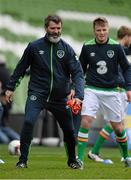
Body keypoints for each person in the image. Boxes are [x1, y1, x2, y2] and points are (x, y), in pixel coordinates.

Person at [5, 14, 84, 169]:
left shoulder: (67, 49)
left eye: (58, 28)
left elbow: (78, 74)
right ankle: (22, 160)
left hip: (60, 98)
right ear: (46, 28)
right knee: (28, 122)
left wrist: (78, 94)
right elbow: (20, 69)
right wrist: (10, 87)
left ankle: (72, 160)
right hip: (37, 94)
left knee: (69, 130)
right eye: (53, 28)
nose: (56, 31)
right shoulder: (34, 47)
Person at [77, 17, 131, 169]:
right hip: (92, 89)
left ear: (108, 30)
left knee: (118, 128)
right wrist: (76, 88)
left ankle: (126, 157)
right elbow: (80, 69)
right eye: (98, 30)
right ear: (94, 31)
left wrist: (128, 88)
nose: (101, 33)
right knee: (86, 120)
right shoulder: (87, 46)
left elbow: (127, 68)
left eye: (104, 30)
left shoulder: (116, 47)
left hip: (112, 91)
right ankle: (79, 160)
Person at [0, 58, 20, 144]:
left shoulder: (2, 72)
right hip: (4, 103)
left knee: (6, 139)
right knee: (6, 139)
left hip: (3, 103)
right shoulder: (5, 71)